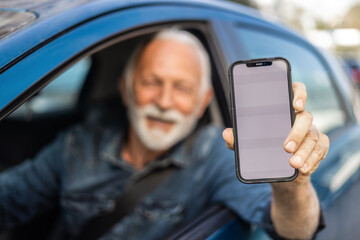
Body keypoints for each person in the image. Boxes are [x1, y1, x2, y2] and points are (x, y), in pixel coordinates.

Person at [0, 28, 329, 240]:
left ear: (202, 103)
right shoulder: (78, 144)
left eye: (182, 88)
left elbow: (296, 232)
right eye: (151, 82)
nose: (164, 101)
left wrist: (292, 184)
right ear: (126, 89)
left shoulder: (218, 155)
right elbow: (10, 198)